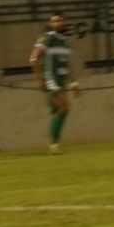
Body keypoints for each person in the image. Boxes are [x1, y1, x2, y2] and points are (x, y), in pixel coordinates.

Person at [29, 12, 79, 155]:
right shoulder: (48, 38)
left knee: (57, 111)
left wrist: (74, 83)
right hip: (51, 79)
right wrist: (40, 80)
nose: (57, 23)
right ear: (50, 24)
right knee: (63, 109)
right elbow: (33, 59)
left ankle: (54, 143)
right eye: (54, 21)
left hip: (60, 79)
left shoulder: (65, 41)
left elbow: (66, 63)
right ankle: (53, 144)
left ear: (65, 22)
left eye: (60, 21)